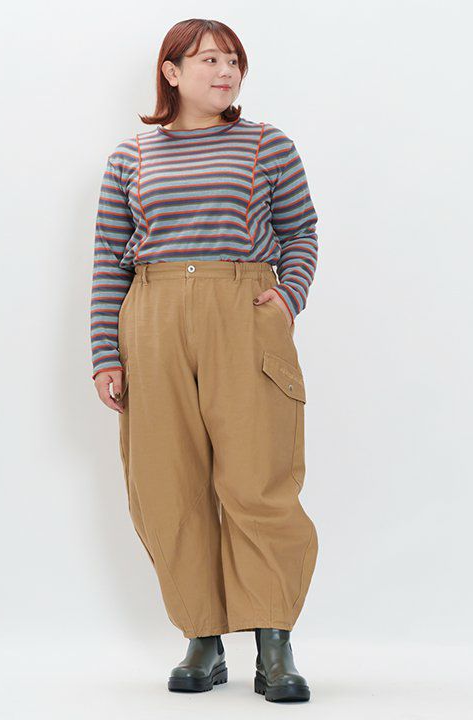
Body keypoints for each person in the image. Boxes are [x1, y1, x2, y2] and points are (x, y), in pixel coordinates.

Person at [90, 18, 319, 703]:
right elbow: (108, 260)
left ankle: (274, 642)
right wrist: (105, 353)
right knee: (166, 484)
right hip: (152, 317)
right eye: (210, 60)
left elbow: (301, 232)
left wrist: (287, 298)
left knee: (258, 480)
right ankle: (202, 637)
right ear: (171, 72)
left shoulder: (267, 146)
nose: (226, 73)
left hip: (242, 312)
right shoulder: (130, 157)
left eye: (233, 62)